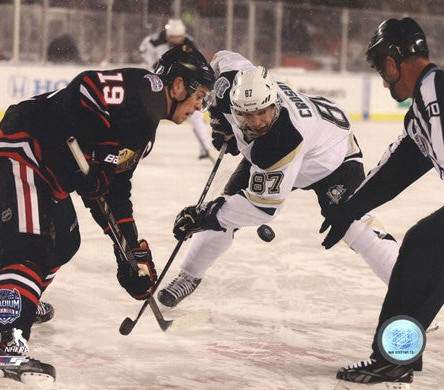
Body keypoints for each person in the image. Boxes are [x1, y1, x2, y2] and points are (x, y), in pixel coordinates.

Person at [0, 44, 214, 388]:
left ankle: (18, 307)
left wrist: (130, 252)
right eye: (199, 94)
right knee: (28, 250)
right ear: (176, 86)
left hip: (46, 175)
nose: (199, 105)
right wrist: (93, 155)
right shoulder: (146, 89)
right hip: (20, 155)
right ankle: (0, 356)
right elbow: (85, 88)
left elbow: (114, 193)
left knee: (64, 242)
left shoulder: (143, 132)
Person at [157, 51, 400, 316]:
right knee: (224, 207)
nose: (258, 122)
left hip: (331, 158)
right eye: (247, 115)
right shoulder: (233, 83)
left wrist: (207, 214)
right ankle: (190, 275)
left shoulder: (283, 139)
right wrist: (218, 118)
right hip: (302, 139)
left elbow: (263, 208)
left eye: (263, 112)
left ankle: (409, 294)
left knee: (354, 227)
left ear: (275, 104)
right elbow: (222, 57)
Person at [319, 18, 443, 386]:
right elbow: (400, 166)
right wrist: (350, 210)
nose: (383, 80)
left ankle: (393, 359)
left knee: (425, 247)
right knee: (426, 249)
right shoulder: (427, 100)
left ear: (393, 62)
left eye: (379, 67)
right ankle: (395, 358)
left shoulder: (434, 91)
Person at [139, 18, 212, 160]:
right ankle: (141, 143)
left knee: (196, 113)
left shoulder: (189, 43)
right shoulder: (156, 40)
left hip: (182, 83)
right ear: (167, 35)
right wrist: (155, 65)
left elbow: (196, 63)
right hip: (162, 81)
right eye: (173, 37)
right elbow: (143, 50)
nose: (177, 40)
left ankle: (205, 148)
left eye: (179, 37)